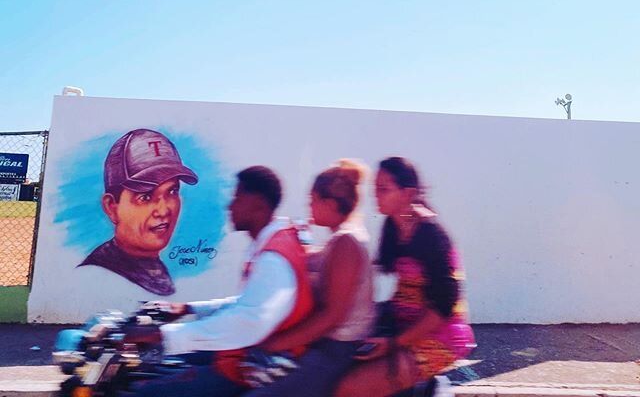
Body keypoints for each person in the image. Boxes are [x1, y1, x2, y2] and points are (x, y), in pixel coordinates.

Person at [122, 165, 314, 397]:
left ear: (258, 205)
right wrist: (188, 308)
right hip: (242, 351)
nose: (230, 206)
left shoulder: (274, 259)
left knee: (148, 392)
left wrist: (164, 334)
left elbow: (248, 321)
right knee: (150, 364)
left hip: (255, 364)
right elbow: (248, 303)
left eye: (237, 198)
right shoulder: (273, 242)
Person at [335, 157, 475, 397]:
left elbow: (444, 305)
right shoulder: (393, 226)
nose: (376, 195)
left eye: (384, 189)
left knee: (349, 388)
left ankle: (430, 387)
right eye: (375, 189)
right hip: (404, 326)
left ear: (408, 193)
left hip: (438, 336)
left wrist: (393, 343)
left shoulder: (429, 234)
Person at [243, 159, 376, 397]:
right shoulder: (343, 237)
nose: (310, 208)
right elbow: (313, 262)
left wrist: (276, 343)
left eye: (312, 201)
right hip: (330, 343)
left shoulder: (346, 242)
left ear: (330, 203)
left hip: (337, 348)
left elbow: (331, 316)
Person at [78, 128, 198, 295]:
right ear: (112, 207)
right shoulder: (97, 273)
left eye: (172, 192)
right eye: (145, 197)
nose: (163, 210)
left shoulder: (151, 267)